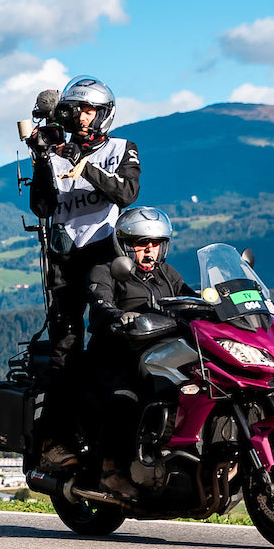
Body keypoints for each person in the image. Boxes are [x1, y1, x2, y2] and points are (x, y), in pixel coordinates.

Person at [25, 75, 141, 459]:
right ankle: (55, 440)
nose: (83, 118)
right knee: (66, 348)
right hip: (63, 258)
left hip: (106, 253)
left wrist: (84, 164)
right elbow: (41, 205)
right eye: (77, 110)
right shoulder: (55, 151)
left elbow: (125, 193)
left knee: (115, 334)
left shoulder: (122, 148)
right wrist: (43, 159)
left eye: (90, 110)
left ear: (104, 114)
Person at [85, 206, 196, 496]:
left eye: (156, 244)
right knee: (126, 399)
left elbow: (191, 299)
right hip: (116, 356)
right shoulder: (108, 270)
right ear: (124, 244)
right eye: (141, 245)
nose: (149, 252)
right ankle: (112, 472)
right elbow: (99, 304)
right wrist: (116, 316)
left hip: (159, 355)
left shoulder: (167, 274)